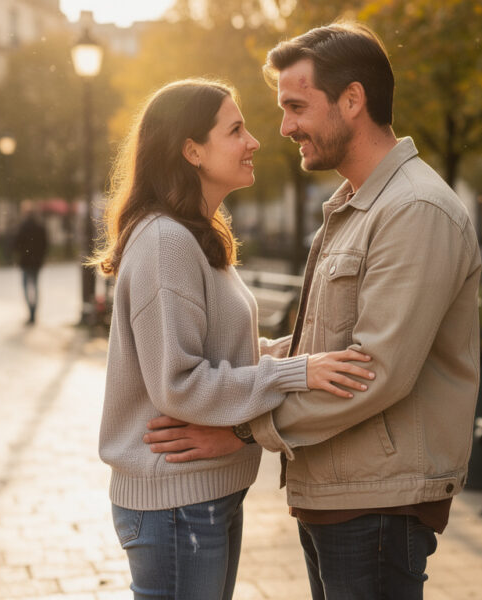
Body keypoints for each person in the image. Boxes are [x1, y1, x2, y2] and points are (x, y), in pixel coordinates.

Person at [143, 23, 482, 599]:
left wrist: (245, 431)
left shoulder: (414, 209)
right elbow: (321, 350)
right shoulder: (356, 205)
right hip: (339, 490)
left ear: (353, 100)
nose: (284, 127)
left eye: (297, 106)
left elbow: (375, 370)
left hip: (377, 501)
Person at [91, 79, 374, 600]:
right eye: (235, 130)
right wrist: (296, 372)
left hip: (203, 494)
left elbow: (223, 355)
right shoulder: (165, 242)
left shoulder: (195, 234)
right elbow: (178, 383)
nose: (255, 142)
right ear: (192, 150)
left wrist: (300, 354)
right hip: (175, 502)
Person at [12, 200, 48, 324]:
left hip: (25, 261)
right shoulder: (40, 226)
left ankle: (30, 311)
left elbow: (17, 243)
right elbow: (45, 244)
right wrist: (42, 257)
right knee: (36, 286)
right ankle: (34, 311)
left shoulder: (23, 226)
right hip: (36, 261)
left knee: (26, 286)